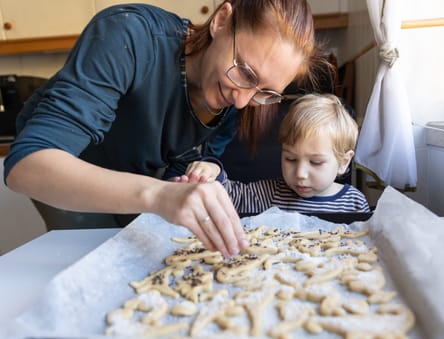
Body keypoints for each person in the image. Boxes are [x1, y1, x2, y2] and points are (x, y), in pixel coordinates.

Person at [3, 1, 330, 258]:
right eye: (244, 71)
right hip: (65, 173)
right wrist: (159, 195)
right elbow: (26, 166)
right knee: (89, 257)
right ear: (221, 21)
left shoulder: (234, 103)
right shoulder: (128, 35)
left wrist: (195, 177)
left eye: (264, 92)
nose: (243, 101)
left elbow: (188, 163)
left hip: (137, 174)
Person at [177, 94, 370, 213]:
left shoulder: (354, 203)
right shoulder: (270, 194)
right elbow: (229, 195)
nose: (300, 173)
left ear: (344, 162)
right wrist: (212, 171)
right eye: (290, 159)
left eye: (316, 162)